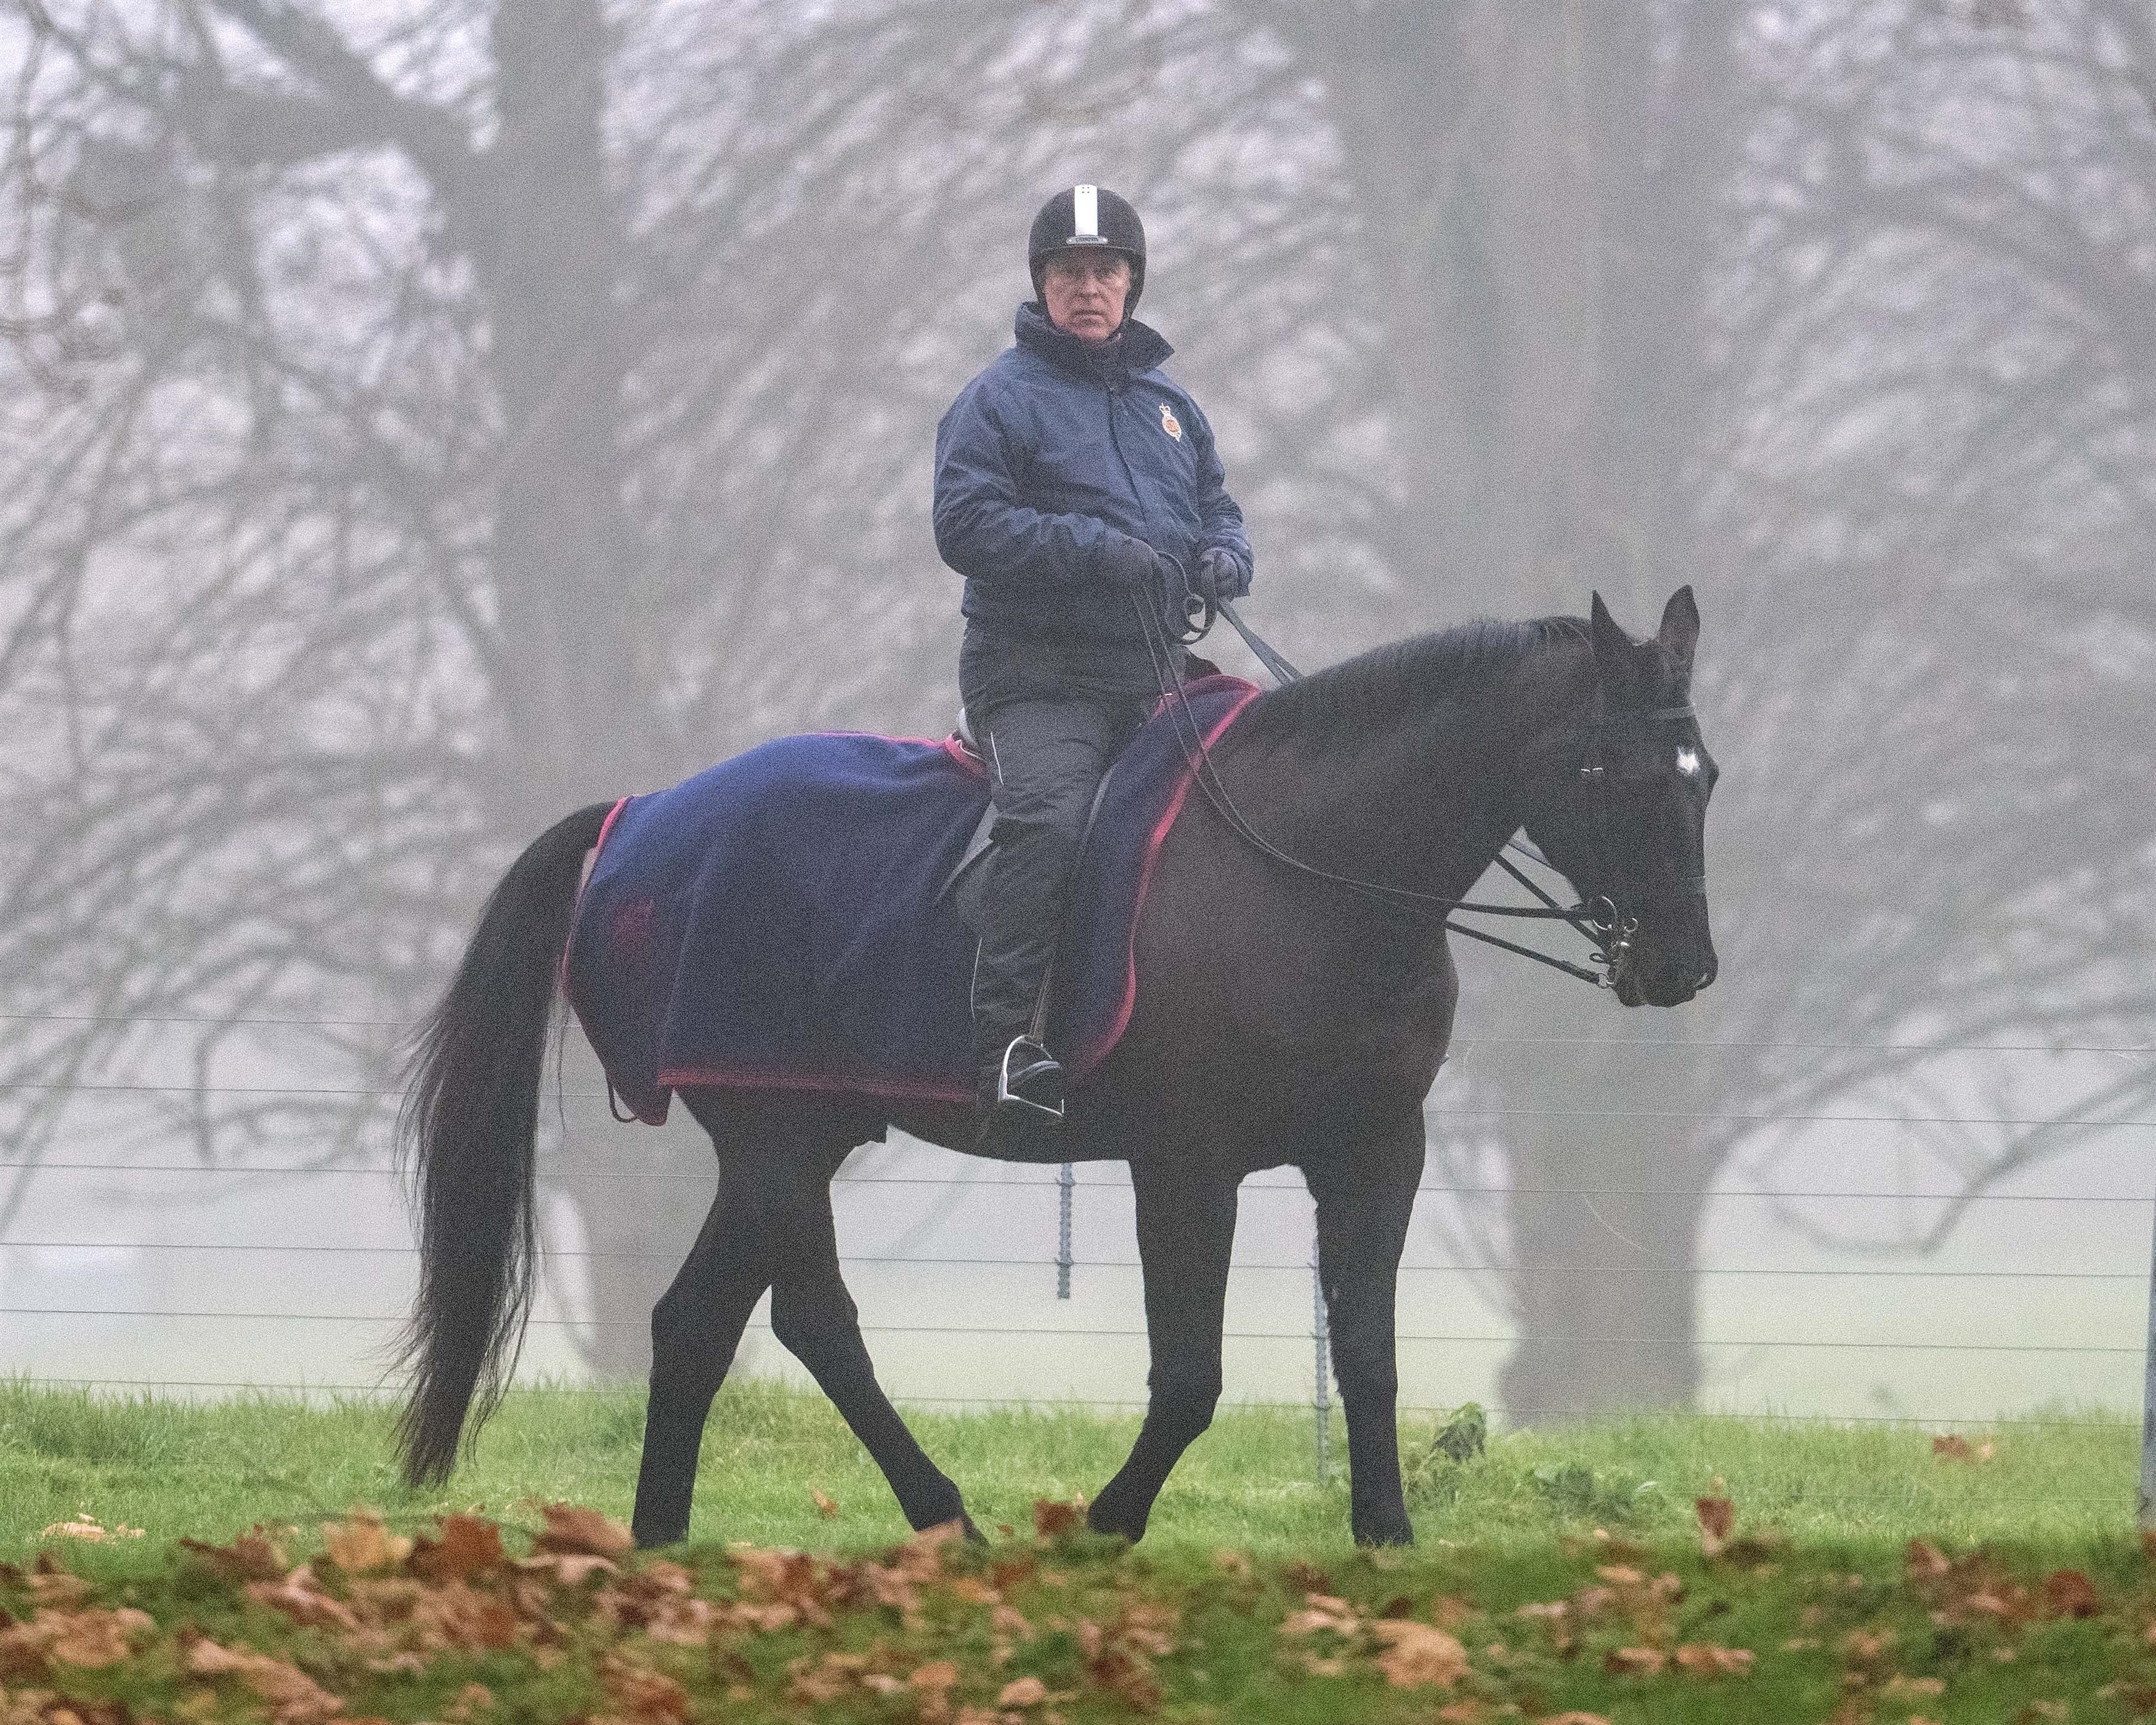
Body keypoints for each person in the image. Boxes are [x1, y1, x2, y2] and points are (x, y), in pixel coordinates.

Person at [933, 184, 1254, 1141]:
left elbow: (1217, 508)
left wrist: (1226, 555)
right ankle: (1004, 1050)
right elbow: (964, 522)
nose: (1089, 287)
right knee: (1052, 822)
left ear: (1132, 284)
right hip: (1035, 678)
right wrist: (1092, 549)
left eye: (1106, 271)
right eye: (1069, 271)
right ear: (1043, 283)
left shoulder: (1171, 409)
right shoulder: (998, 400)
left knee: (1256, 803)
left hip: (1152, 671)